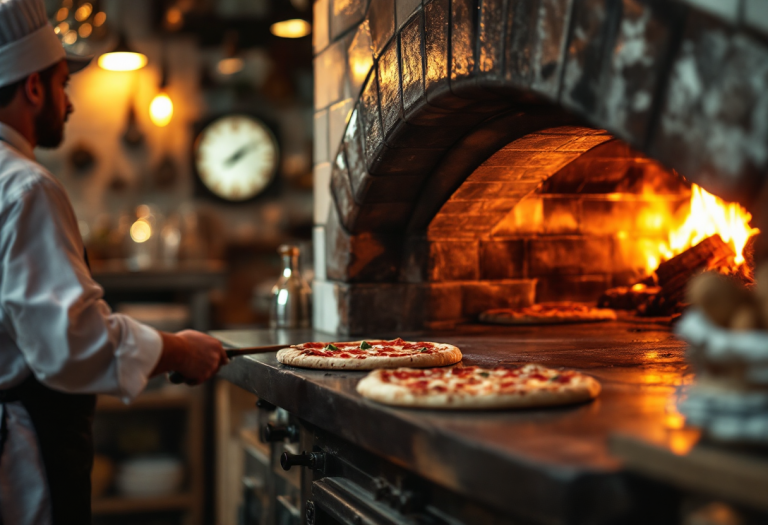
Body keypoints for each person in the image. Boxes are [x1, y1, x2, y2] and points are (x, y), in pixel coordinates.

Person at [0, 0, 228, 523]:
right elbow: (70, 343)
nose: (70, 101)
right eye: (62, 83)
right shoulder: (24, 187)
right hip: (19, 461)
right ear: (33, 87)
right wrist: (178, 350)